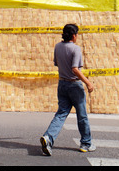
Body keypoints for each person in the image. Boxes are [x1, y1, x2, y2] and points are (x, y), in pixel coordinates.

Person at [40, 23, 96, 156]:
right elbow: (75, 69)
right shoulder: (75, 49)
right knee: (82, 115)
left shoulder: (58, 46)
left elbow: (57, 63)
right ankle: (86, 143)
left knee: (61, 114)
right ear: (73, 35)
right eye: (77, 34)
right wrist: (88, 82)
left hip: (62, 85)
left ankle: (48, 138)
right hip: (74, 86)